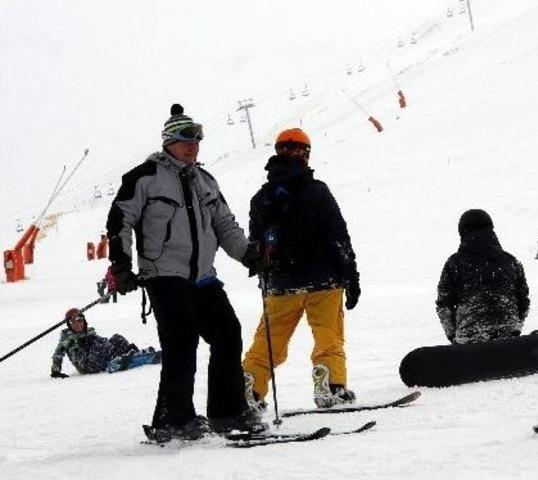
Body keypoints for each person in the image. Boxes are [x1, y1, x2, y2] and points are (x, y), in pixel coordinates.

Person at [104, 104, 269, 441]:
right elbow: (121, 220)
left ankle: (228, 412)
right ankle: (173, 419)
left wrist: (249, 254)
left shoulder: (205, 180)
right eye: (184, 140)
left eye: (196, 140)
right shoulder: (144, 177)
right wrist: (121, 264)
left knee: (227, 333)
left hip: (203, 276)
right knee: (182, 341)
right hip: (163, 274)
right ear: (168, 142)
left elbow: (225, 224)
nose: (192, 147)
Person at [241, 128, 360, 411]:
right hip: (324, 281)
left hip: (281, 284)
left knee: (268, 342)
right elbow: (338, 236)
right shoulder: (317, 191)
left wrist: (266, 281)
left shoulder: (261, 198)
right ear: (305, 155)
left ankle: (250, 387)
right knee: (328, 337)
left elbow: (256, 246)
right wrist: (351, 276)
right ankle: (330, 386)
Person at [436, 209, 530, 344]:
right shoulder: (511, 261)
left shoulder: (455, 263)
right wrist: (515, 328)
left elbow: (444, 304)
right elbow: (523, 300)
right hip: (508, 336)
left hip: (470, 337)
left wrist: (453, 336)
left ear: (462, 232)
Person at [51, 308, 161, 378]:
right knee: (98, 342)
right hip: (86, 365)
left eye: (79, 320)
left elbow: (103, 344)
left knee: (118, 338)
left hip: (96, 358)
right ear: (69, 325)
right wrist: (56, 371)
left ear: (84, 321)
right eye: (73, 321)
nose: (77, 323)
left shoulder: (89, 332)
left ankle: (131, 356)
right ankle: (116, 361)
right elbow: (58, 354)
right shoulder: (68, 338)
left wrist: (116, 346)